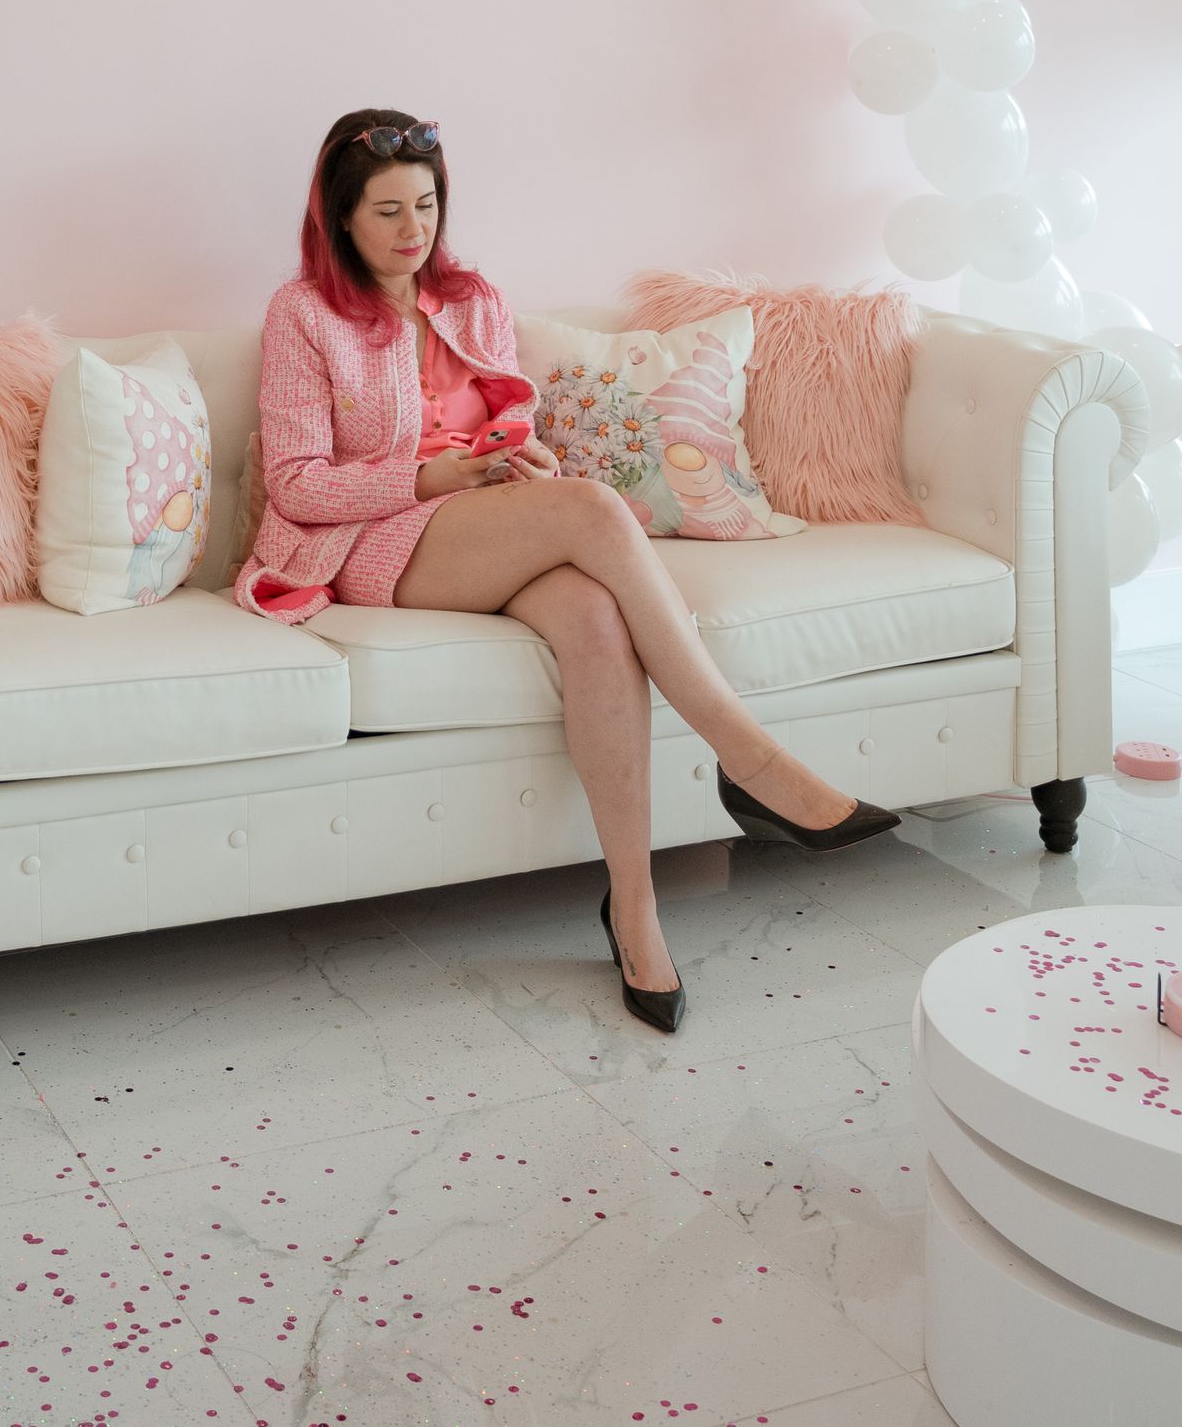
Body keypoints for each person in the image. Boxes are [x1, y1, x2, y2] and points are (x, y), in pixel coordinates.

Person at [237, 109, 898, 1033]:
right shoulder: (303, 314)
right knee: (591, 509)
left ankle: (634, 910)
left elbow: (509, 419)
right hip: (370, 538)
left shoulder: (472, 300)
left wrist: (521, 458)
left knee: (594, 618)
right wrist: (430, 476)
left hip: (480, 520)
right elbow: (298, 486)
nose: (412, 230)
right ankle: (750, 760)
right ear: (339, 219)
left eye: (425, 205)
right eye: (386, 211)